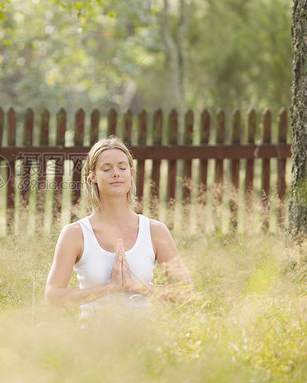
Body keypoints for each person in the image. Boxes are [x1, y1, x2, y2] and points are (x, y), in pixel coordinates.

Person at [45, 135, 195, 320]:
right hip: (89, 343)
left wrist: (138, 287)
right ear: (92, 177)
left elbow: (186, 291)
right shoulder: (75, 234)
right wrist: (109, 288)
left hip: (145, 341)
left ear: (131, 173)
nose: (116, 173)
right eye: (106, 169)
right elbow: (53, 296)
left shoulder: (155, 231)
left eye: (122, 167)